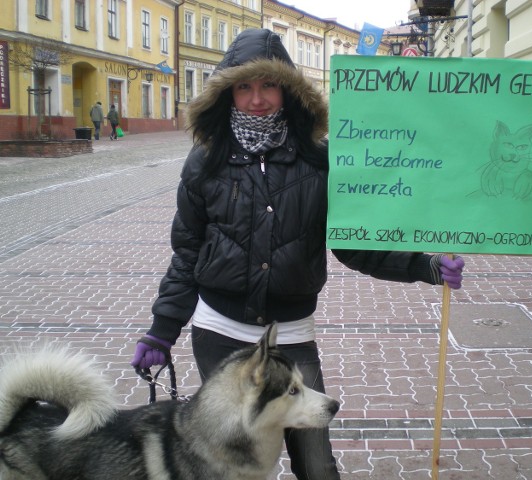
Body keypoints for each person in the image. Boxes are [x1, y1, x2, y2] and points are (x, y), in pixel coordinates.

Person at [130, 28, 465, 480]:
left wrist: (423, 265)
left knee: (316, 460)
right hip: (219, 332)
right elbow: (187, 252)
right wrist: (161, 331)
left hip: (291, 333)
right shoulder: (204, 161)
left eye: (268, 85)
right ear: (228, 92)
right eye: (244, 87)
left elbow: (353, 243)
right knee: (229, 459)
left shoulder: (320, 160)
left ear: (288, 91)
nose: (256, 99)